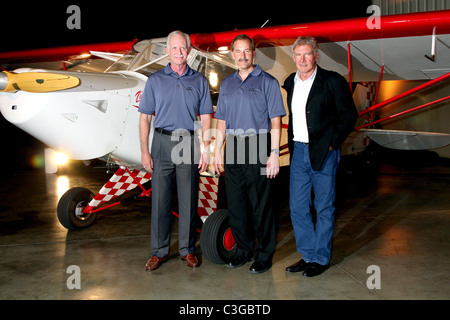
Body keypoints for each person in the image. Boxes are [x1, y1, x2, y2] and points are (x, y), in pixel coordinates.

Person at [283, 36, 358, 277]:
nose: (302, 59)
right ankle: (307, 254)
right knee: (297, 207)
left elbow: (348, 115)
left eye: (307, 54)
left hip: (324, 152)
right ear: (293, 57)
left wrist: (331, 144)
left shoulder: (333, 81)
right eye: (298, 55)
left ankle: (321, 258)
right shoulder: (290, 82)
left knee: (323, 206)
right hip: (298, 152)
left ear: (316, 55)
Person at [139, 30, 213, 271]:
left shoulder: (199, 80)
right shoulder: (155, 80)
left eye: (183, 48)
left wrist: (206, 150)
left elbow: (205, 117)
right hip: (161, 143)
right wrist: (144, 151)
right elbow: (144, 119)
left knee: (188, 199)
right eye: (175, 48)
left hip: (188, 143)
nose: (179, 52)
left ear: (189, 51)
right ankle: (159, 252)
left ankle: (187, 250)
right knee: (159, 200)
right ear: (167, 50)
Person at [213, 34, 286, 274]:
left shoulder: (268, 82)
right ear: (232, 54)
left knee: (261, 204)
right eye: (238, 51)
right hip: (233, 146)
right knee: (236, 204)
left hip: (259, 145)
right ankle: (243, 252)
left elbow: (275, 122)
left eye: (247, 51)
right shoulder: (227, 84)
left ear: (253, 53)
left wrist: (274, 153)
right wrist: (216, 150)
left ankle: (264, 255)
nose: (242, 56)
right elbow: (221, 120)